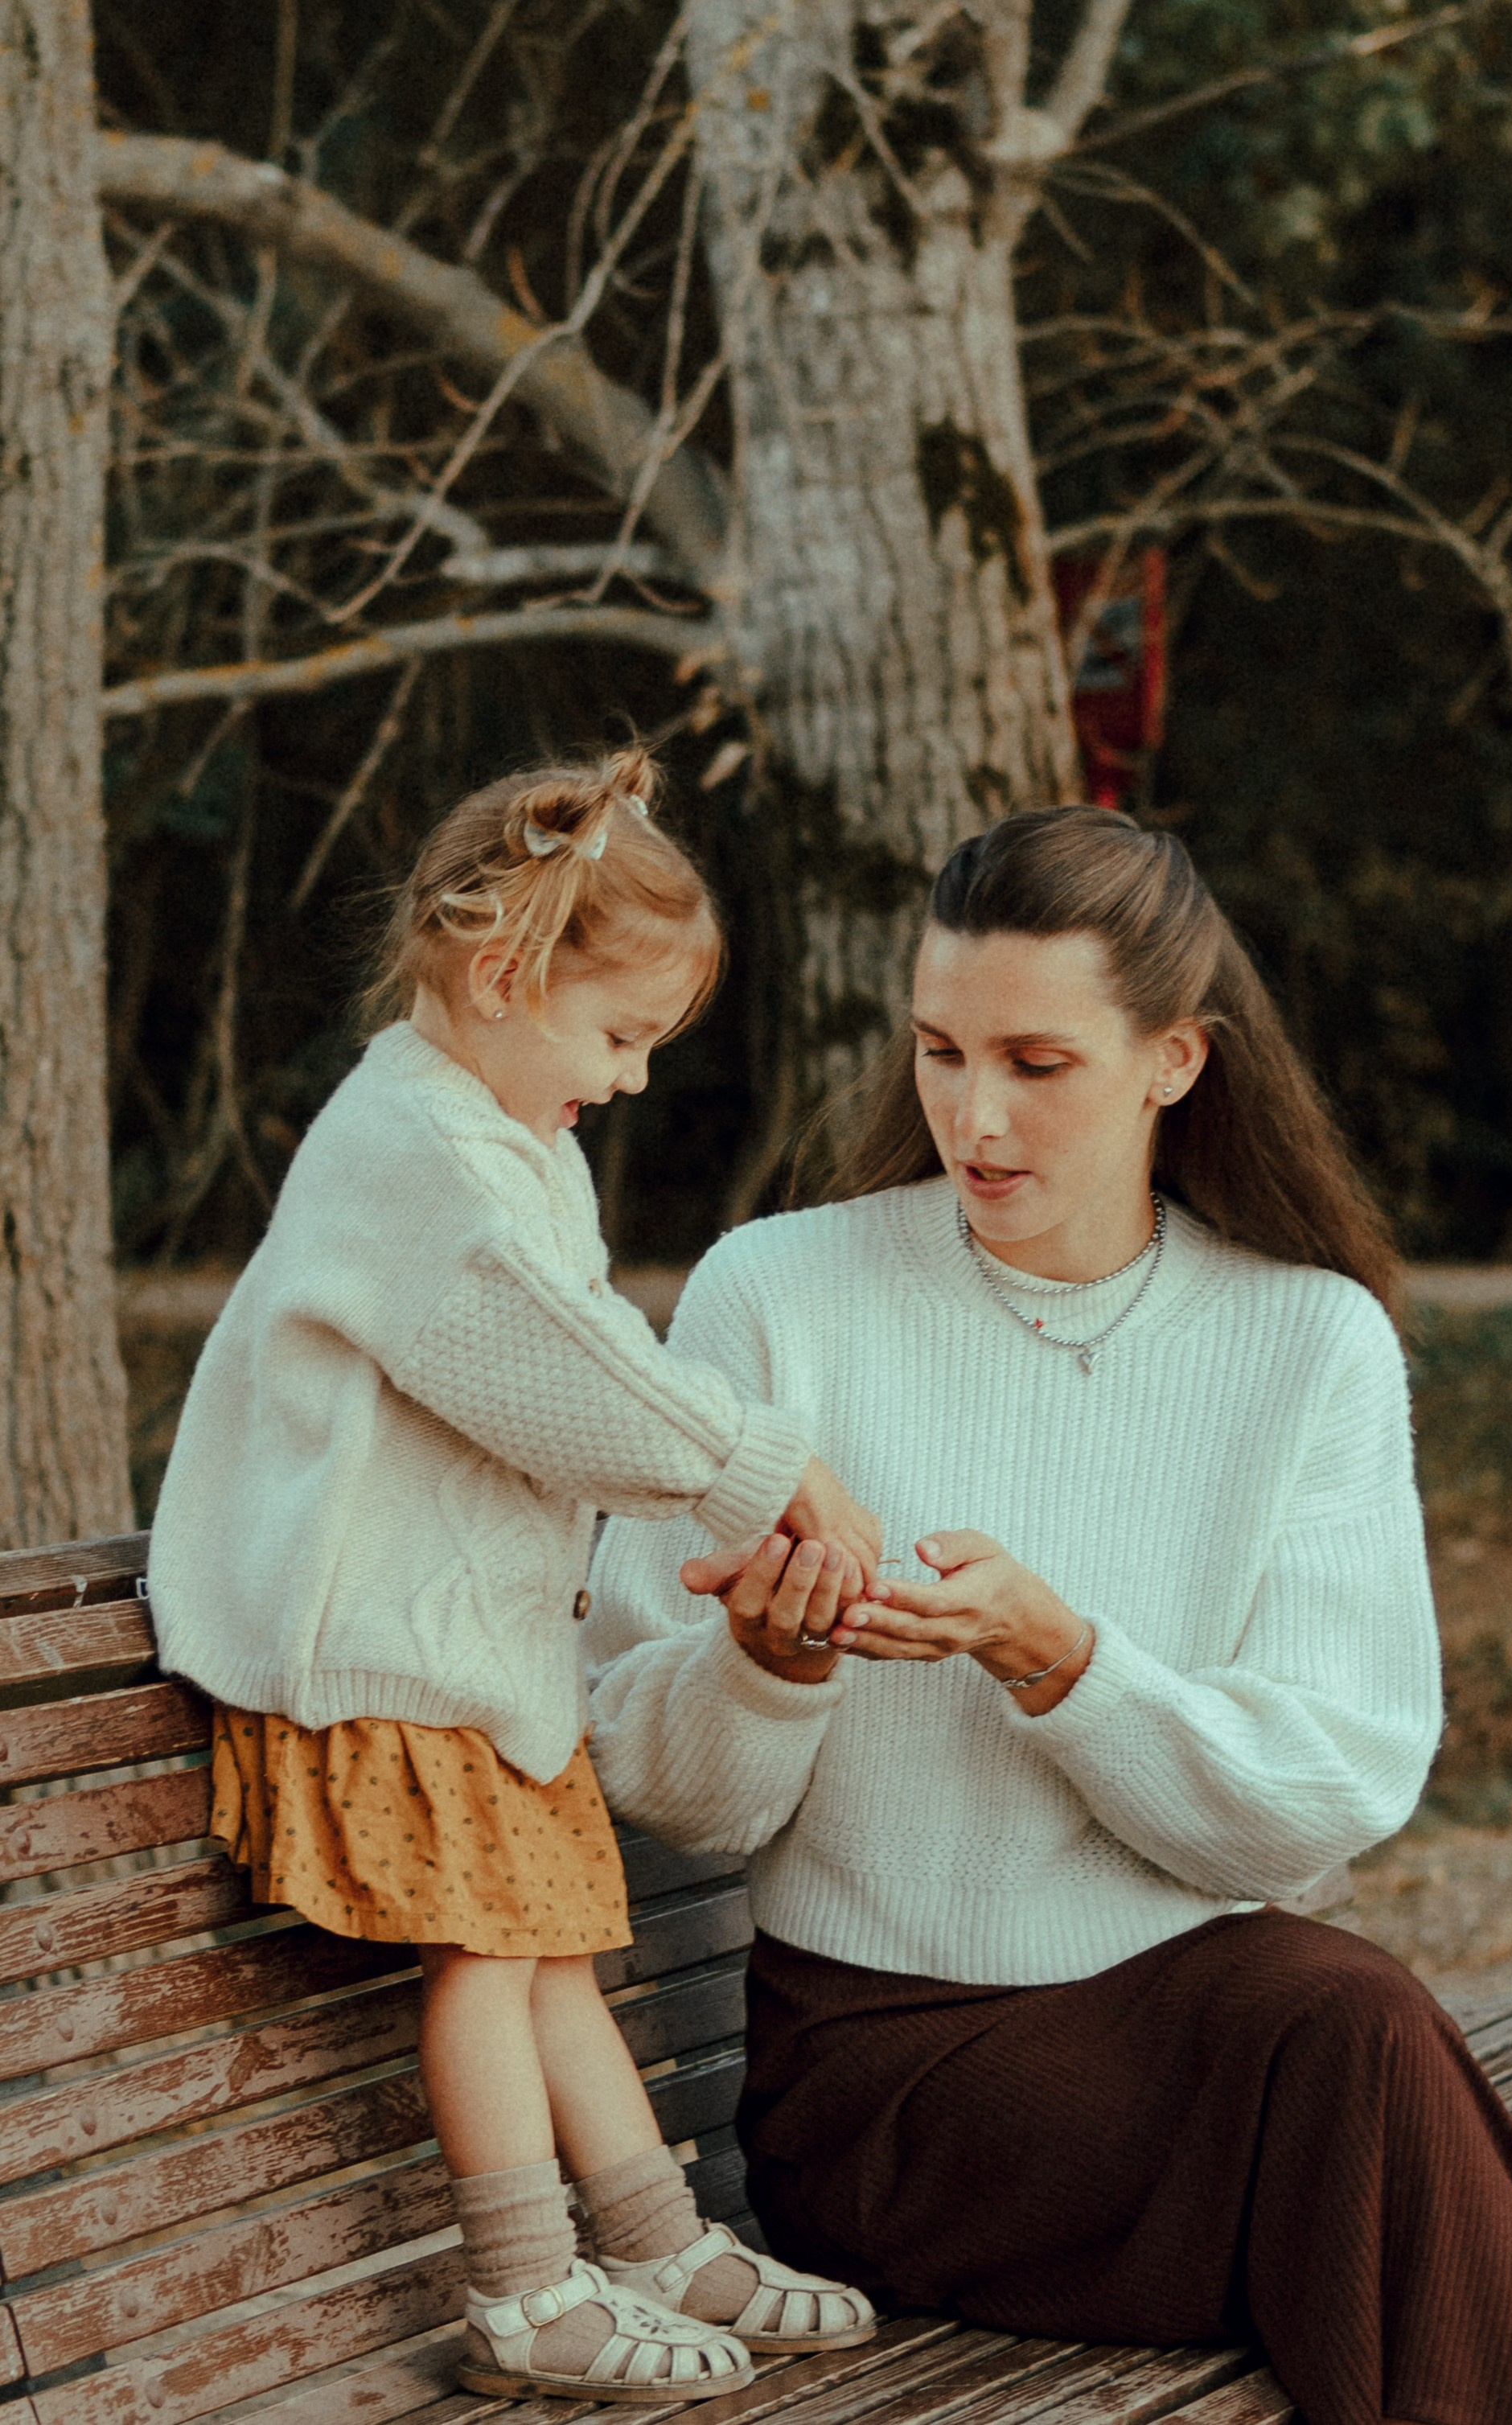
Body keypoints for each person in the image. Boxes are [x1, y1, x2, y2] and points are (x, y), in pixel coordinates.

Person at [585, 806, 1512, 2425]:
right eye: (939, 1050)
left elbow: (1320, 1791)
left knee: (1352, 2046)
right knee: (1366, 2090)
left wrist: (1061, 1659)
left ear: (1174, 1058)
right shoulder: (778, 1291)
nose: (972, 1114)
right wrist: (764, 1660)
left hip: (1194, 2035)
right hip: (882, 2083)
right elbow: (654, 1770)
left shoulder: (1308, 1342)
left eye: (1038, 1062)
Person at [148, 750, 881, 2405]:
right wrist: (769, 1465)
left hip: (474, 1650)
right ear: (502, 976)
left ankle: (655, 2237)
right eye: (617, 1037)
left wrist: (721, 1489)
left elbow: (576, 1367)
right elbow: (556, 1361)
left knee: (553, 1951)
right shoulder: (417, 1146)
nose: (625, 1081)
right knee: (494, 1956)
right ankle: (525, 2285)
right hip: (390, 1657)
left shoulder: (494, 1126)